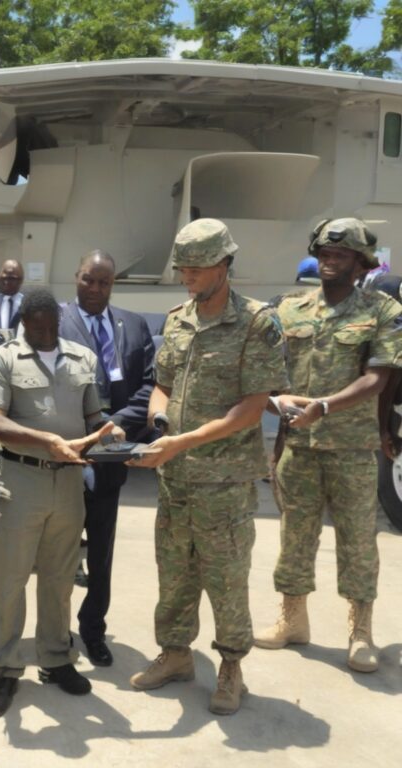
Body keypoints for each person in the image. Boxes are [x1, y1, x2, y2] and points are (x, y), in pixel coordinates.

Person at [128, 219, 288, 715]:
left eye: (196, 268)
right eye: (182, 268)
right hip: (176, 480)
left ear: (224, 264)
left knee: (226, 578)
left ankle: (231, 666)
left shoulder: (257, 323)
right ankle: (176, 654)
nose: (187, 277)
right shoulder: (178, 319)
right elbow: (163, 385)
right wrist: (160, 422)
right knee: (174, 573)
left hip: (225, 483)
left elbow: (253, 405)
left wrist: (185, 441)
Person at [255, 218, 402, 673]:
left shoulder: (382, 310)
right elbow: (265, 366)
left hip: (352, 448)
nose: (329, 261)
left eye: (340, 255)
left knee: (358, 542)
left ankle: (360, 632)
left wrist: (323, 406)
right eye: (324, 253)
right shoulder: (290, 309)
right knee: (294, 537)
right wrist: (277, 405)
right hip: (299, 447)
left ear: (361, 264)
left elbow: (377, 379)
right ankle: (292, 619)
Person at [0, 289, 122, 719]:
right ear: (23, 323)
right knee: (10, 580)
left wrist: (109, 432)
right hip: (21, 480)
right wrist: (47, 441)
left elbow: (93, 415)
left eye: (51, 326)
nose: (45, 333)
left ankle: (56, 659)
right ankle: (4, 668)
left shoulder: (82, 358)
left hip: (69, 484)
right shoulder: (3, 358)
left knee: (60, 579)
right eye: (36, 327)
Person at [59, 249, 156, 666]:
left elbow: (150, 385)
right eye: (88, 279)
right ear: (76, 277)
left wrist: (114, 424)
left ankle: (93, 629)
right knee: (59, 552)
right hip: (65, 452)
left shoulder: (133, 324)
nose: (95, 289)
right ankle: (55, 632)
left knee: (101, 553)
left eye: (104, 282)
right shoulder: (54, 320)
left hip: (111, 450)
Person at [0, 259, 24, 331]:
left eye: (11, 279)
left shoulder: (27, 305)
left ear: (20, 280)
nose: (6, 282)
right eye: (3, 278)